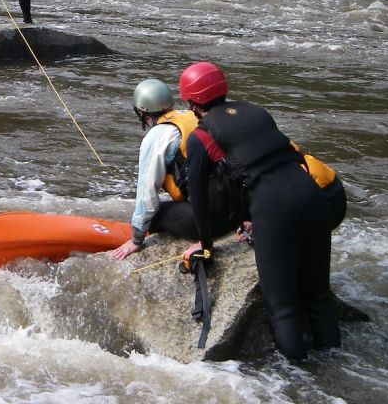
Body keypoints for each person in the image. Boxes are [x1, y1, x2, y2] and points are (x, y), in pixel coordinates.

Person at [179, 61, 341, 361]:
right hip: (314, 198)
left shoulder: (200, 137)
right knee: (318, 300)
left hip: (275, 210)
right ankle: (337, 367)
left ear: (191, 101)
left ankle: (299, 385)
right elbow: (260, 164)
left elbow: (199, 197)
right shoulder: (256, 112)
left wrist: (206, 243)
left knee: (284, 309)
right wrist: (248, 218)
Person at [107, 79, 240, 261]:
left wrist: (137, 238)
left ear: (142, 111)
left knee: (153, 216)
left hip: (210, 221)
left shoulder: (156, 136)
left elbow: (147, 191)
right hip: (237, 210)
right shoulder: (194, 116)